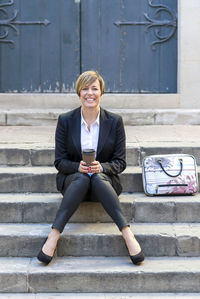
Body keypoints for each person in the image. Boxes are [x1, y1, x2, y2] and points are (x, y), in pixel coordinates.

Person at [37, 70, 144, 265]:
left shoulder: (115, 121)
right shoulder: (65, 121)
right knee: (83, 177)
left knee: (95, 177)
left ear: (101, 92)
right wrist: (78, 167)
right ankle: (54, 235)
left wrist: (101, 168)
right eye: (85, 89)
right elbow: (59, 162)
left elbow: (120, 163)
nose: (89, 93)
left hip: (104, 184)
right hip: (73, 183)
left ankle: (126, 232)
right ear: (78, 93)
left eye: (94, 88)